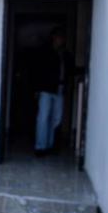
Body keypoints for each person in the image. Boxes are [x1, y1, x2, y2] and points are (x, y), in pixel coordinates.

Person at [33, 27, 74, 156]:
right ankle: (40, 147)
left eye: (62, 37)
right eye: (59, 36)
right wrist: (37, 89)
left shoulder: (65, 54)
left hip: (60, 89)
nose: (61, 39)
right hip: (46, 89)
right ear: (53, 38)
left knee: (56, 118)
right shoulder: (45, 52)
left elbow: (70, 70)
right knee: (43, 118)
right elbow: (37, 70)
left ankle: (49, 145)